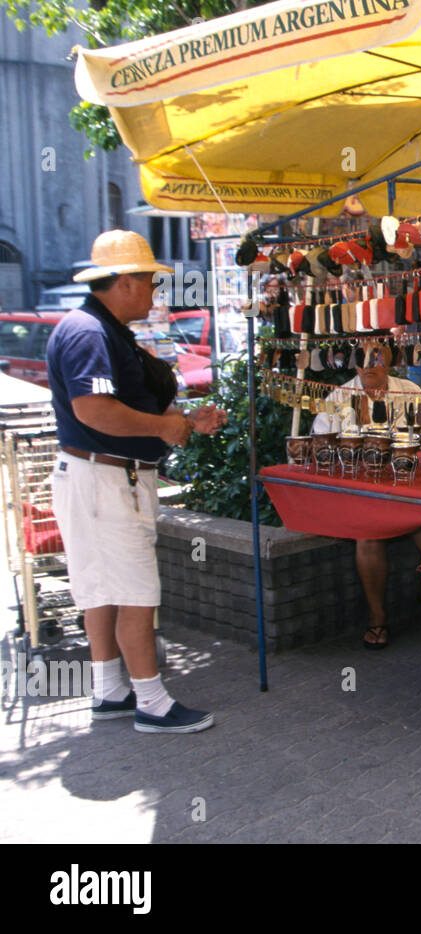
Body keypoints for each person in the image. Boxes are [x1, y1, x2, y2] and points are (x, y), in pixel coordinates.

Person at [47, 230, 227, 733]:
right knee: (136, 592)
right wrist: (163, 426)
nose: (156, 293)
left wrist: (184, 421)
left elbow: (128, 404)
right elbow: (94, 409)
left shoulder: (103, 328)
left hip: (99, 475)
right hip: (105, 479)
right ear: (125, 282)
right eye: (150, 282)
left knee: (103, 590)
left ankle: (109, 689)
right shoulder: (89, 332)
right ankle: (151, 701)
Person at [311, 342, 421, 649]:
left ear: (388, 359)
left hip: (409, 493)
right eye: (362, 359)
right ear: (354, 364)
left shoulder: (409, 391)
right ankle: (377, 617)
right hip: (364, 498)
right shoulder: (337, 399)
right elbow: (319, 451)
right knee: (368, 537)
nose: (370, 364)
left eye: (377, 356)